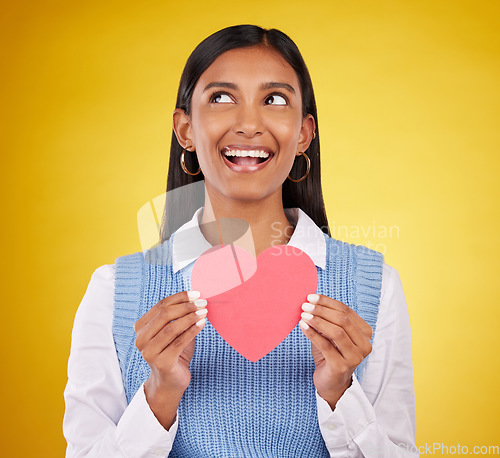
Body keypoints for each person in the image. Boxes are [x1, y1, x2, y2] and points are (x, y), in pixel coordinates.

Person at [63, 24, 418, 457]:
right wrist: (159, 396)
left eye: (274, 100)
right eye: (221, 98)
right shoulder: (114, 291)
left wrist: (341, 394)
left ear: (304, 134)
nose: (249, 124)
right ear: (185, 129)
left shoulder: (375, 286)